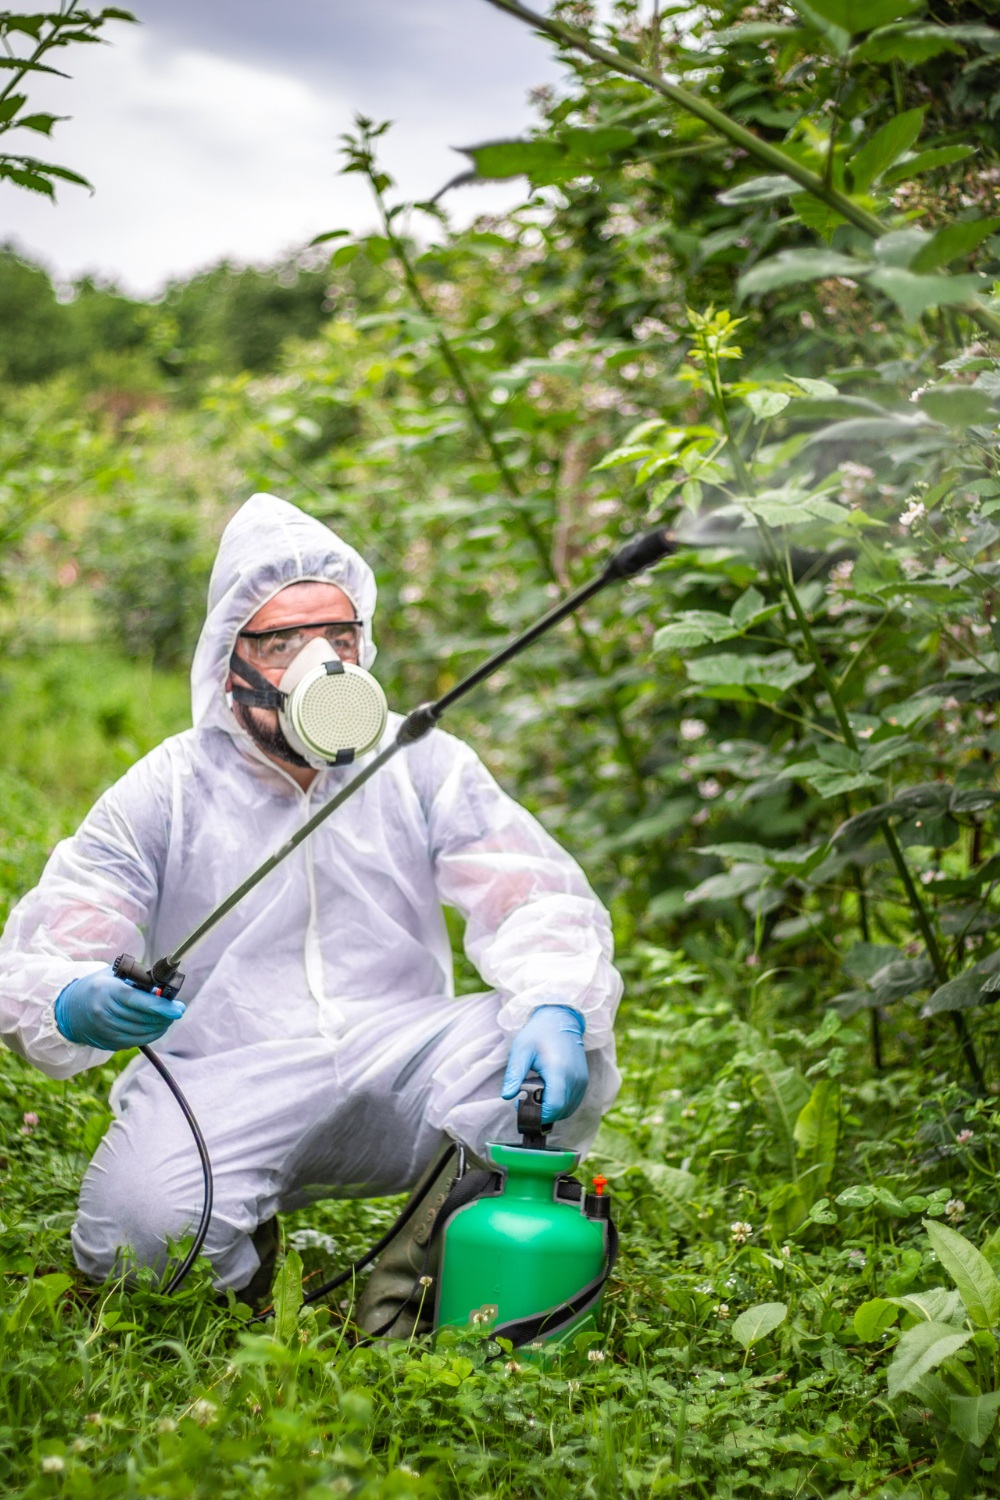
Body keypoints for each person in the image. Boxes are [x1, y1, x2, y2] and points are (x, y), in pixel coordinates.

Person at [0, 493, 622, 1327]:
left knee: (552, 1049)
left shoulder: (421, 760)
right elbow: (63, 931)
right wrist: (72, 995)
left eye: (338, 635)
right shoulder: (167, 789)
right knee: (136, 1248)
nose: (318, 662)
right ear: (231, 659)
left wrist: (553, 1000)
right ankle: (250, 1268)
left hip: (401, 1058)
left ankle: (412, 1289)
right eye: (283, 641)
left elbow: (531, 892)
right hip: (225, 1079)